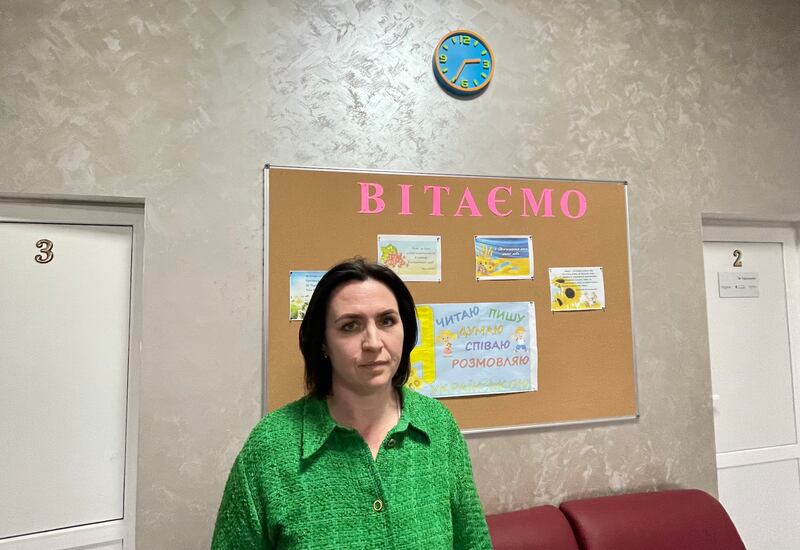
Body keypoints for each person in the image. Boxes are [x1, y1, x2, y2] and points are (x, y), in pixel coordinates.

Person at [211, 258, 492, 549]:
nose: (373, 342)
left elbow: (474, 543)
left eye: (387, 321)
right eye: (350, 326)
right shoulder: (270, 447)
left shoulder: (438, 426)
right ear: (322, 342)